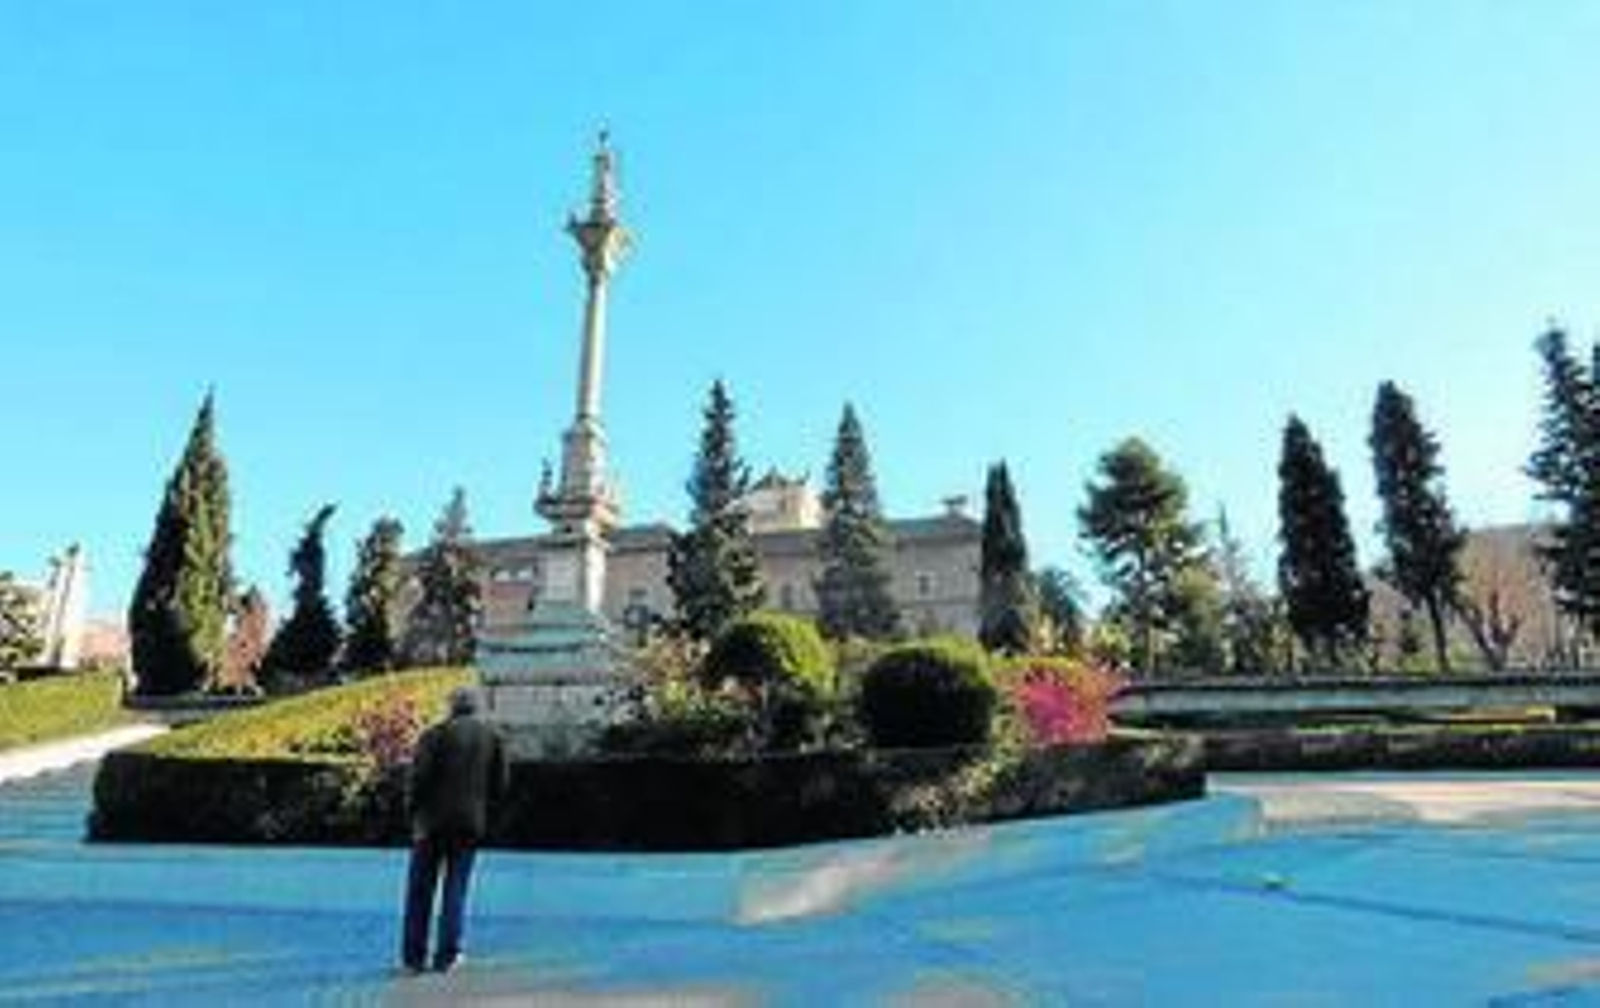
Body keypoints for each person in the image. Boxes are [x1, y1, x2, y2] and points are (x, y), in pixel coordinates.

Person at [401, 685, 508, 973]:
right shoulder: (493, 738)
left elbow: (417, 781)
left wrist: (412, 815)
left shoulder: (434, 735)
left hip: (431, 824)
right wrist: (488, 820)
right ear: (475, 707)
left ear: (451, 706)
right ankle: (448, 955)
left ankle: (414, 956)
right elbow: (500, 786)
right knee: (456, 890)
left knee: (420, 892)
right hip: (470, 825)